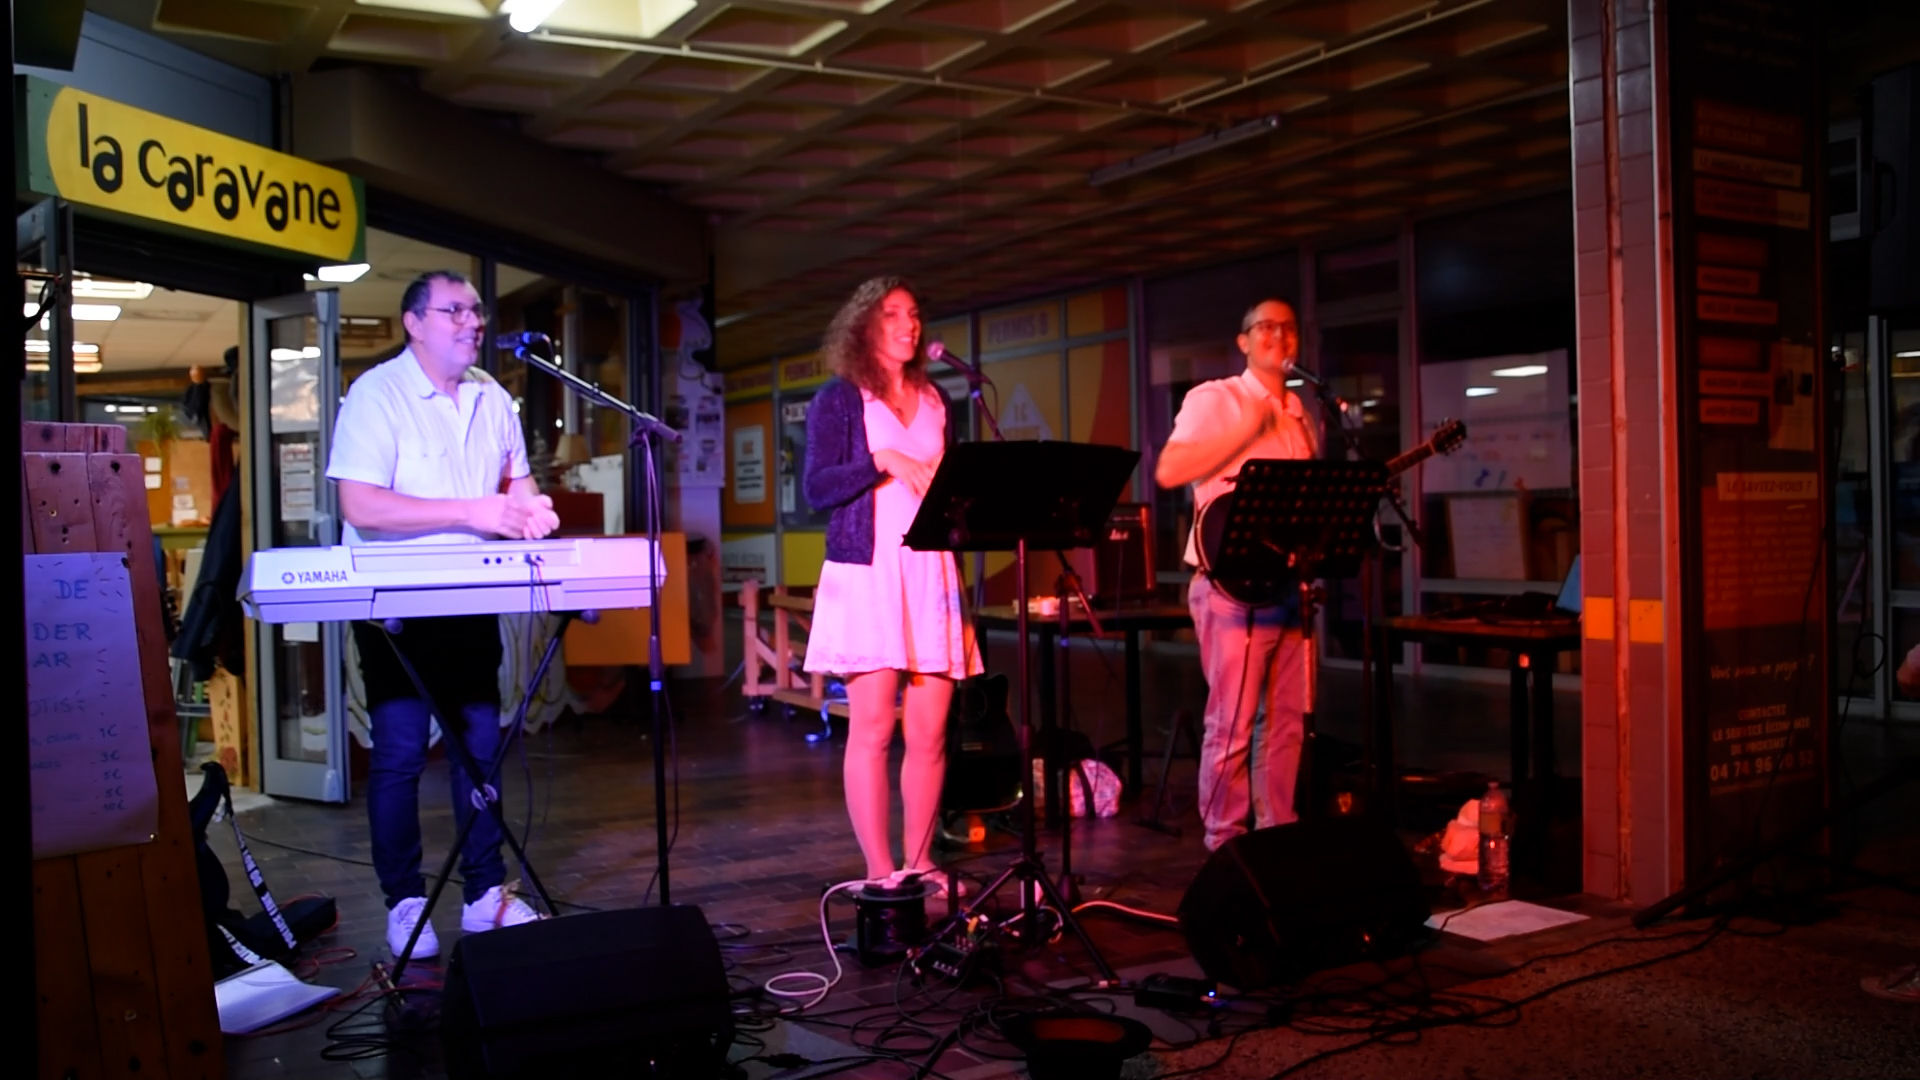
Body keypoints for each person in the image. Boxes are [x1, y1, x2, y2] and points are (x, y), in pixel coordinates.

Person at [326, 270, 561, 958]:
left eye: (477, 311)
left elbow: (519, 485)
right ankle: (404, 902)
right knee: (399, 755)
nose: (473, 321)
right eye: (454, 310)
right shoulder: (377, 394)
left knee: (478, 751)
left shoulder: (493, 397)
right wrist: (473, 510)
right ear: (415, 322)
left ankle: (485, 894)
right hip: (393, 605)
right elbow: (361, 507)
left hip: (470, 597)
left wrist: (531, 509)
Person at [802, 277, 981, 893]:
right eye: (892, 315)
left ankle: (921, 859)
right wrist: (882, 461)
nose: (909, 324)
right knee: (873, 727)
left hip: (931, 570)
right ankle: (880, 872)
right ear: (865, 326)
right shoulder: (841, 398)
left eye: (913, 314)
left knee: (930, 731)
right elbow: (817, 488)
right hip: (869, 569)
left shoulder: (937, 400)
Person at [1154, 298, 1321, 851]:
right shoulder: (1217, 398)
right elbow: (1170, 470)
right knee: (1233, 722)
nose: (1278, 335)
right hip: (1231, 587)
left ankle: (1279, 833)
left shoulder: (1302, 413)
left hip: (1287, 587)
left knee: (1287, 722)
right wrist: (1247, 429)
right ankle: (1226, 841)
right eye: (1264, 326)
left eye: (1287, 327)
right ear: (1243, 341)